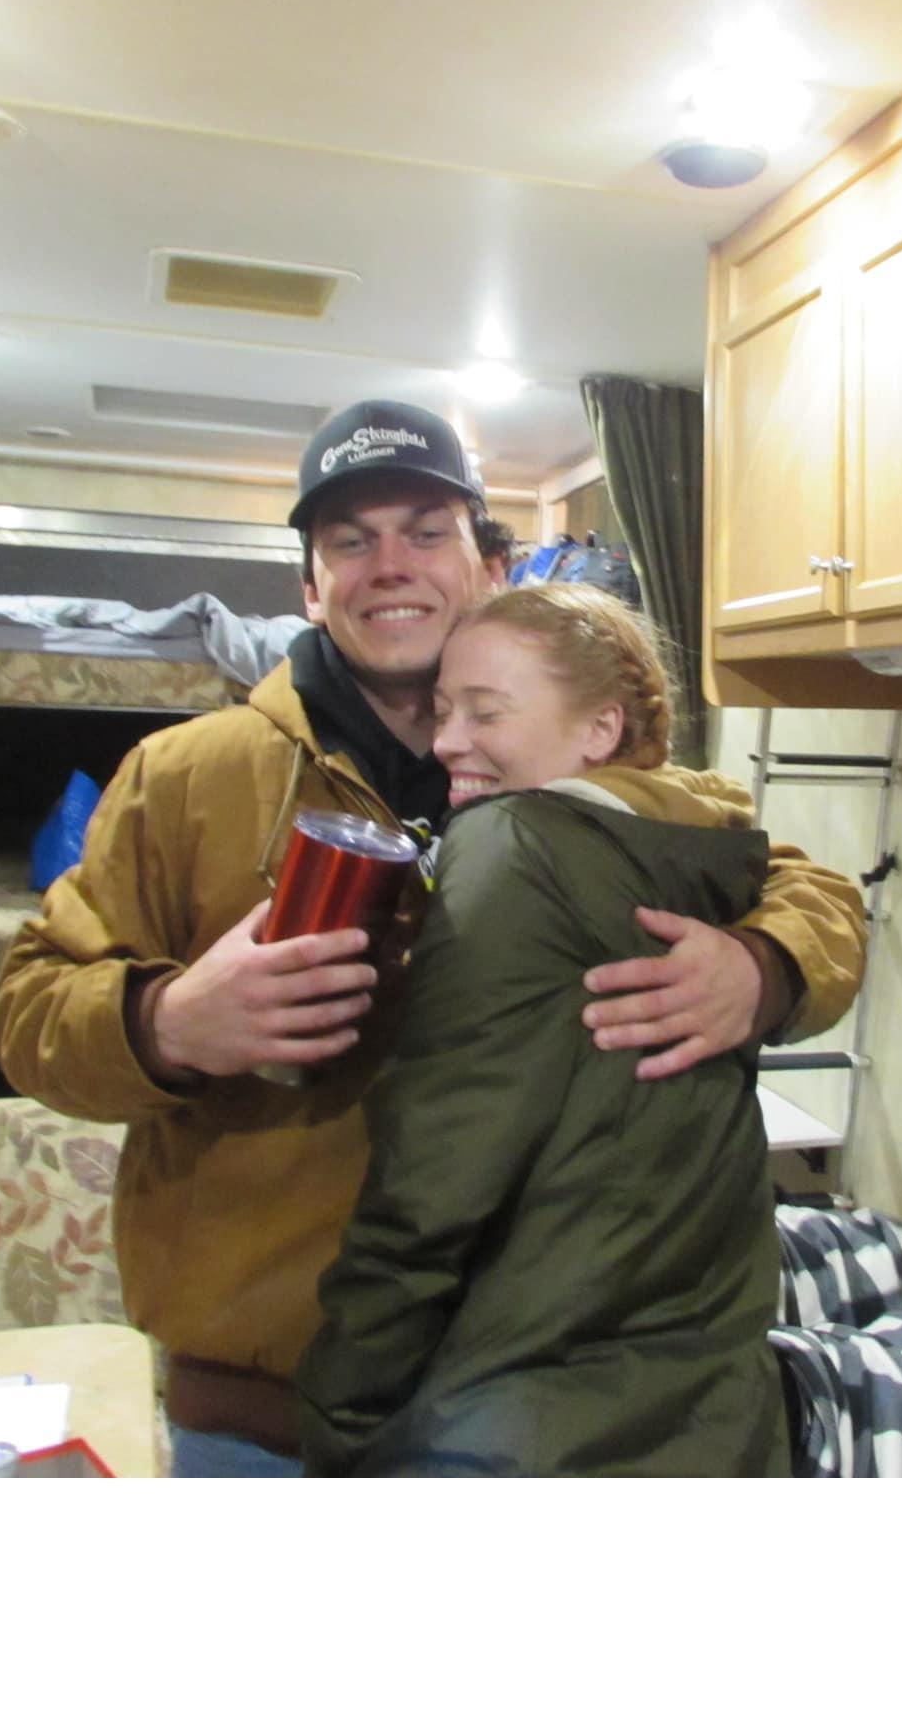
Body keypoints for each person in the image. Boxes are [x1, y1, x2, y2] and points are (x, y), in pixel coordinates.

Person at [0, 399, 866, 1477]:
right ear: (310, 587)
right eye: (349, 541)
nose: (389, 566)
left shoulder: (587, 780)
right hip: (267, 1410)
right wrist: (169, 1021)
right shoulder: (185, 777)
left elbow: (811, 891)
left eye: (424, 531)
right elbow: (29, 1010)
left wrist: (761, 966)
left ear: (488, 567)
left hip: (527, 1405)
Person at [298, 586, 794, 1475]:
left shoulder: (510, 848)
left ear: (600, 730)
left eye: (485, 712)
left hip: (534, 1416)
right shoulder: (700, 847)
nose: (447, 741)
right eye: (444, 711)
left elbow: (433, 1184)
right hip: (711, 1401)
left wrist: (340, 1415)